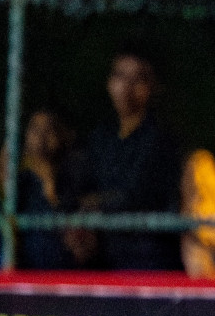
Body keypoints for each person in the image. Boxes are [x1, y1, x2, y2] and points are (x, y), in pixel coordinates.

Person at [72, 44, 183, 270]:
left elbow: (136, 196)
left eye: (138, 79)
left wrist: (91, 205)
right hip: (105, 259)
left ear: (152, 87)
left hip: (148, 261)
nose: (126, 88)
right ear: (109, 83)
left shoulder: (160, 139)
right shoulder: (101, 136)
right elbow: (81, 186)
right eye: (120, 76)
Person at [14, 109, 79, 270]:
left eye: (49, 129)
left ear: (61, 136)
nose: (41, 136)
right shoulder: (18, 184)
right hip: (28, 277)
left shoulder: (77, 179)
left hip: (68, 277)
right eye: (35, 129)